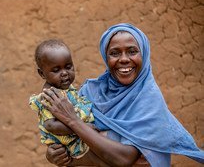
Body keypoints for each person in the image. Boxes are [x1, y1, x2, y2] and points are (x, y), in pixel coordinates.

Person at [41, 23, 204, 166]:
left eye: (132, 51)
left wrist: (73, 122)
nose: (124, 59)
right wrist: (54, 155)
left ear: (144, 54)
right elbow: (65, 140)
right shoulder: (89, 92)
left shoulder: (149, 102)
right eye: (115, 53)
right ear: (106, 57)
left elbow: (123, 159)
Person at [29, 39, 96, 159]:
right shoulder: (49, 96)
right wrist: (82, 128)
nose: (64, 73)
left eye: (68, 67)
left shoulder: (66, 89)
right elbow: (51, 125)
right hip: (68, 147)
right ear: (42, 74)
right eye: (56, 70)